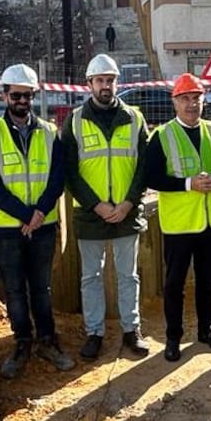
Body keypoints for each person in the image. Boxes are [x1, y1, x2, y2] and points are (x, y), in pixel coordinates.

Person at [0, 63, 75, 378]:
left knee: (41, 288)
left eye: (27, 94)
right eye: (16, 94)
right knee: (15, 290)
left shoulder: (50, 133)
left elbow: (57, 178)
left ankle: (48, 341)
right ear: (4, 95)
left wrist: (38, 214)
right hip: (7, 229)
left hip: (42, 225)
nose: (22, 100)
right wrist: (26, 215)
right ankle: (22, 342)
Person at [142, 73, 211, 361]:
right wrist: (188, 184)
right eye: (185, 99)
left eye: (196, 98)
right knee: (174, 283)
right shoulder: (161, 136)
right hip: (179, 224)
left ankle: (206, 329)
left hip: (209, 222)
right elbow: (152, 176)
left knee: (208, 280)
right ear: (175, 102)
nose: (191, 104)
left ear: (203, 100)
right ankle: (173, 336)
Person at [63, 53, 151, 361]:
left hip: (127, 213)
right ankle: (95, 333)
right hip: (90, 214)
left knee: (128, 275)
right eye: (100, 80)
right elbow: (70, 172)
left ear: (116, 83)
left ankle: (132, 331)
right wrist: (97, 205)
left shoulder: (135, 118)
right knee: (91, 277)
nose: (106, 86)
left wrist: (129, 203)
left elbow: (144, 167)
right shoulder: (74, 121)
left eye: (110, 80)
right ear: (89, 84)